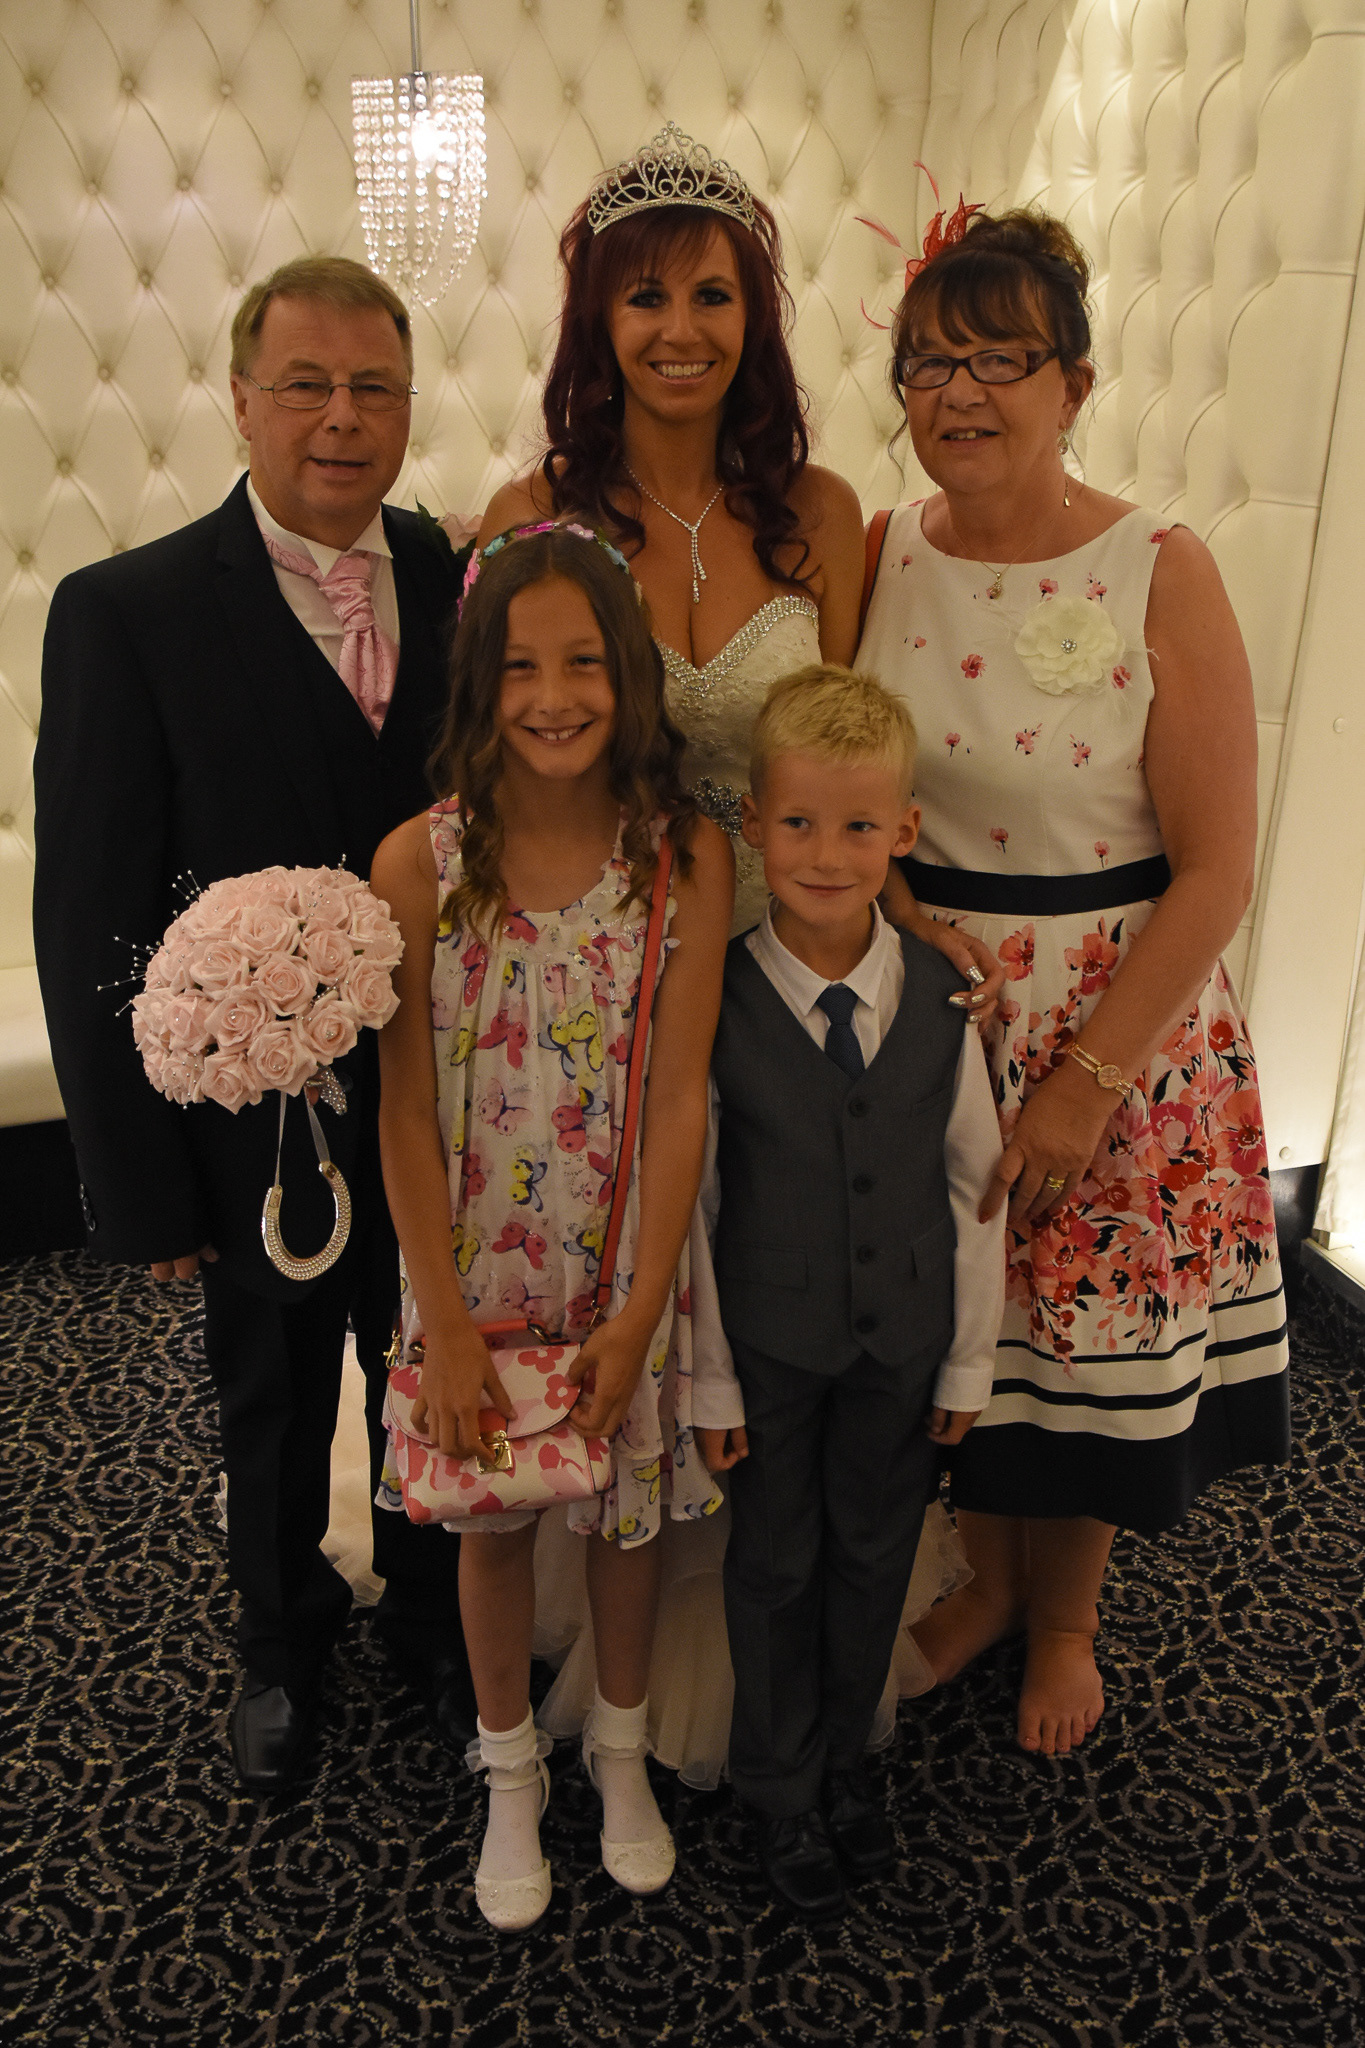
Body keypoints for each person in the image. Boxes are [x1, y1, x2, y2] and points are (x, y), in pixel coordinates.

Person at [33, 256, 477, 1793]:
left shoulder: (463, 576)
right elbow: (89, 914)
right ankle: (281, 1639)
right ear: (241, 401)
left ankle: (434, 1615)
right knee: (272, 1389)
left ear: (408, 407)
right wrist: (137, 1185)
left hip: (448, 1091)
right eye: (306, 385)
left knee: (430, 1362)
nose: (341, 418)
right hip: (250, 1110)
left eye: (374, 388)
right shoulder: (128, 611)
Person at [856, 205, 1291, 1758]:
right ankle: (984, 1578)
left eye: (999, 361)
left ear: (1075, 384)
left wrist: (1086, 1082)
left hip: (1114, 1009)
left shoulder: (1157, 568)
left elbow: (1217, 869)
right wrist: (894, 905)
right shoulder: (880, 551)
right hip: (927, 1004)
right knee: (968, 1333)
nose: (958, 393)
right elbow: (836, 772)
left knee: (1084, 1331)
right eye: (928, 363)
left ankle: (1064, 1619)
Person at [371, 523, 734, 1931]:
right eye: (520, 667)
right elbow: (406, 1110)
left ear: (629, 676)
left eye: (584, 662)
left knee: (625, 1515)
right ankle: (508, 1765)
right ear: (480, 682)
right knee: (497, 1522)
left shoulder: (681, 858)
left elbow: (683, 1093)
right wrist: (444, 1324)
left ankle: (619, 1751)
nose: (554, 695)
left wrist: (643, 1311)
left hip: (624, 1254)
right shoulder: (420, 864)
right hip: (472, 1264)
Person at [690, 664, 1005, 1916]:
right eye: (801, 823)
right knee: (773, 1561)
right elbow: (698, 1202)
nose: (827, 854)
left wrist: (968, 1359)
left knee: (876, 1553)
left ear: (904, 830)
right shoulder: (715, 996)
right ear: (754, 822)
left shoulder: (942, 993)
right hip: (768, 1343)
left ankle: (847, 1761)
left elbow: (974, 1183)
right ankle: (778, 1787)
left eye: (860, 825)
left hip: (904, 1345)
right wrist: (712, 1376)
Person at [477, 123, 871, 939]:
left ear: (753, 317)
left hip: (792, 942)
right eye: (647, 298)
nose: (682, 331)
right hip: (601, 940)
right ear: (599, 321)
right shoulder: (531, 519)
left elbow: (852, 763)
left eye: (712, 296)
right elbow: (495, 760)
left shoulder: (823, 513)